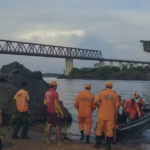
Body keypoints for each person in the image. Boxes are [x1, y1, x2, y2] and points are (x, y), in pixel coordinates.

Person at [94, 81, 119, 150]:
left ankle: (98, 145)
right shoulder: (115, 94)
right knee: (109, 130)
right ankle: (108, 146)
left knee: (99, 129)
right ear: (111, 86)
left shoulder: (101, 92)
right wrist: (116, 115)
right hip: (110, 116)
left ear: (105, 86)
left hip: (101, 115)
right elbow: (117, 106)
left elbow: (95, 101)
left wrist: (98, 106)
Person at [44, 81, 64, 145]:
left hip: (48, 111)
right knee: (58, 125)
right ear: (55, 86)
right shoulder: (55, 93)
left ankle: (48, 141)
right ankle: (59, 142)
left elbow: (45, 102)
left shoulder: (46, 92)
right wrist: (61, 112)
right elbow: (57, 104)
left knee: (49, 125)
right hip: (54, 112)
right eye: (56, 86)